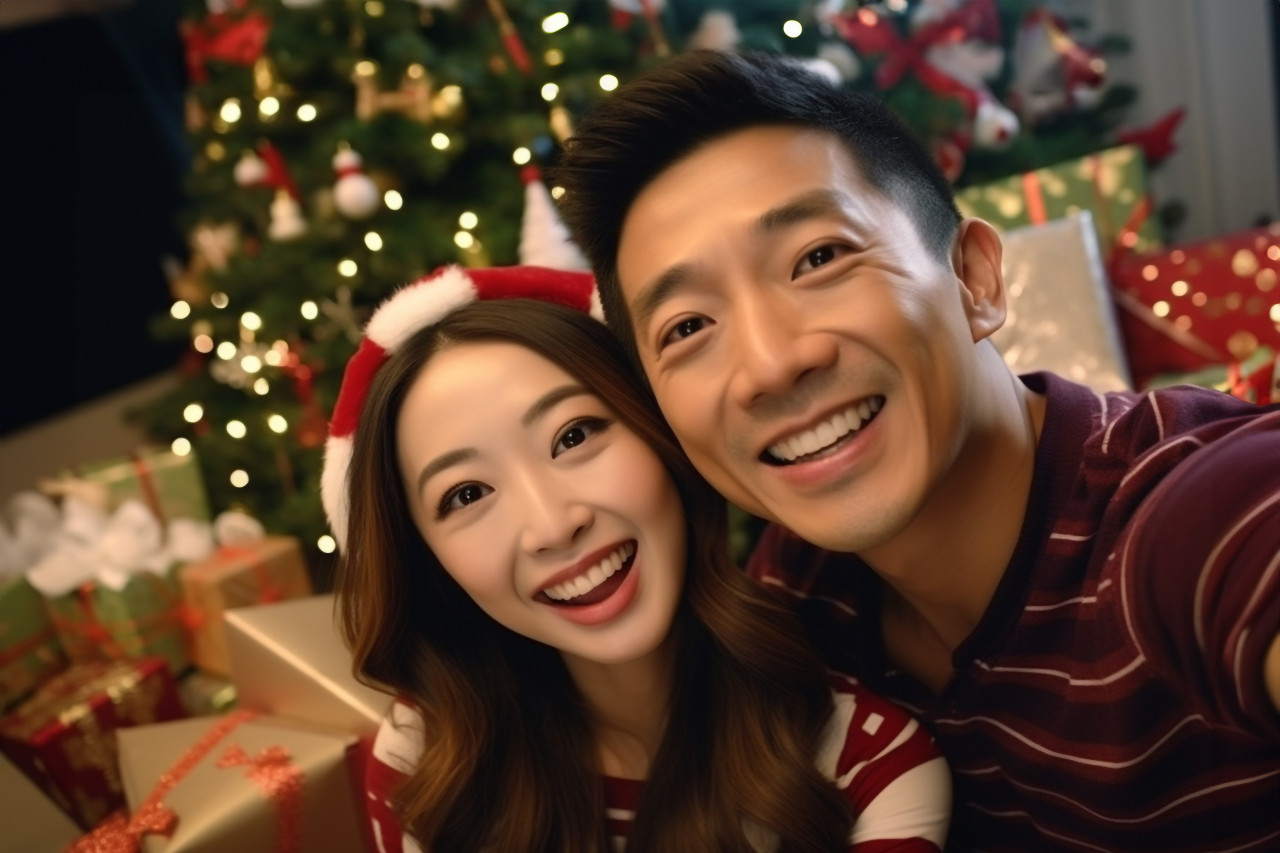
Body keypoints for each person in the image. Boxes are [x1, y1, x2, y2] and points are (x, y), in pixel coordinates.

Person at [551, 49, 1280, 852]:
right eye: (687, 327)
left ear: (975, 278)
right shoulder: (798, 598)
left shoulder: (1194, 516)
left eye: (819, 258)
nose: (769, 365)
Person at [322, 264, 951, 853]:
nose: (551, 525)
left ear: (662, 433)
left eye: (574, 436)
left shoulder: (871, 766)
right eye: (466, 495)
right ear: (431, 563)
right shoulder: (431, 762)